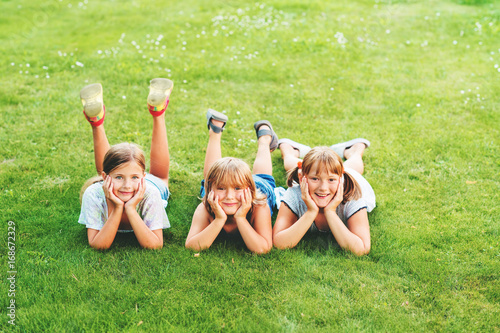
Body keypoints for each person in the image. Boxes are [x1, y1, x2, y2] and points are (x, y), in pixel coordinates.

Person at [78, 78, 173, 249]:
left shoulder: (151, 193)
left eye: (135, 177)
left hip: (145, 187)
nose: (127, 186)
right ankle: (158, 113)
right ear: (105, 178)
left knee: (159, 178)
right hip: (113, 182)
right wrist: (118, 207)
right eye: (119, 177)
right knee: (160, 175)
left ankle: (97, 123)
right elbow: (98, 245)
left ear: (143, 177)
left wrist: (130, 209)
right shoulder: (93, 195)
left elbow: (156, 245)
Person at [185, 110, 278, 254]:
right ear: (212, 190)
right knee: (211, 177)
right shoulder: (206, 207)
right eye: (222, 188)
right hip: (219, 195)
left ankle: (265, 139)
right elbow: (191, 246)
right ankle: (215, 130)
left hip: (259, 187)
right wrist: (219, 219)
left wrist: (241, 217)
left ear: (250, 190)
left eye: (236, 189)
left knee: (263, 177)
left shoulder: (260, 207)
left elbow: (263, 248)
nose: (229, 196)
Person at [272, 138, 375, 255]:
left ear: (340, 179)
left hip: (351, 178)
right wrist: (311, 212)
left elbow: (361, 249)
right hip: (312, 178)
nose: (323, 188)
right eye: (315, 179)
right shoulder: (295, 193)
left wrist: (330, 212)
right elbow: (279, 242)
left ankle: (355, 150)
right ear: (302, 178)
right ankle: (288, 149)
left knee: (354, 166)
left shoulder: (353, 195)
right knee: (291, 163)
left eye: (331, 180)